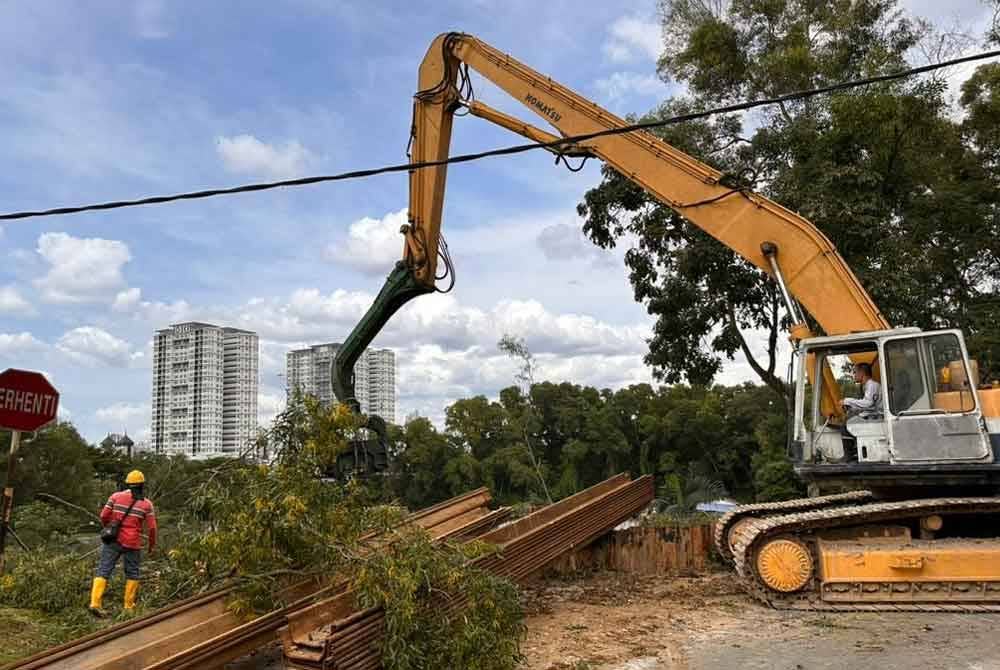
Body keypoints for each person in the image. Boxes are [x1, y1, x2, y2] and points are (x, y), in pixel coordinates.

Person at [88, 469, 157, 616]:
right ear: (142, 485)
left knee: (104, 569)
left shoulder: (115, 497)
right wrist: (151, 545)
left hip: (113, 540)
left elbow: (103, 515)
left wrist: (109, 528)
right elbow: (152, 528)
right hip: (132, 543)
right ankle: (128, 607)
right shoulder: (146, 504)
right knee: (132, 573)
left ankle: (95, 603)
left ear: (127, 483)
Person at [839, 363, 882, 461]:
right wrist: (851, 408)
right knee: (849, 419)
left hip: (877, 417)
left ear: (862, 373)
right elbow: (865, 405)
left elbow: (867, 403)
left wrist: (847, 401)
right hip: (872, 414)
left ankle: (849, 455)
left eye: (855, 372)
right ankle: (854, 452)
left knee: (846, 425)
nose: (854, 375)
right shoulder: (867, 386)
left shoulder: (872, 385)